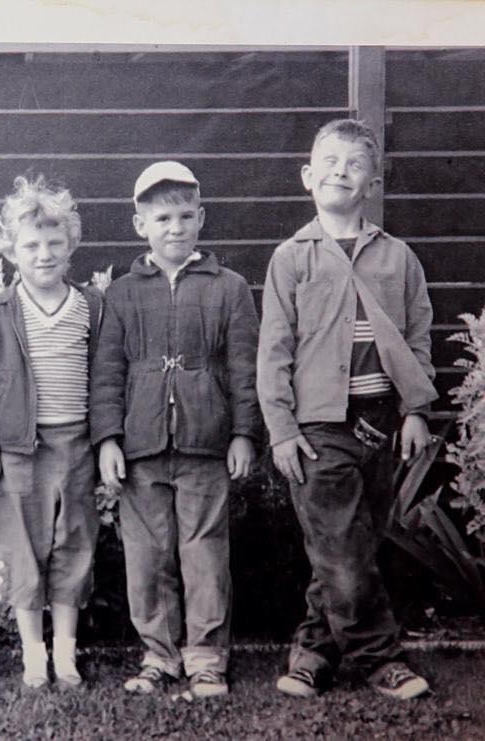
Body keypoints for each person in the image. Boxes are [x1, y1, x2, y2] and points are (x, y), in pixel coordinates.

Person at [258, 119, 437, 701]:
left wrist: (415, 411)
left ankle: (313, 653)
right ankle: (380, 657)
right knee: (340, 546)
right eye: (329, 162)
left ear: (372, 184)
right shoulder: (292, 258)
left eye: (354, 164)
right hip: (317, 429)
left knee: (348, 546)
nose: (341, 171)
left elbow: (417, 337)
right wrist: (282, 430)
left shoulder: (398, 258)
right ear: (307, 177)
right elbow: (274, 351)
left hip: (381, 421)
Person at [91, 161, 261, 698]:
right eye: (162, 218)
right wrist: (108, 439)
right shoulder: (122, 293)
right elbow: (107, 372)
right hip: (141, 446)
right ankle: (160, 655)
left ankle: (206, 658)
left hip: (205, 443)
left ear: (201, 218)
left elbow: (244, 367)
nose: (175, 227)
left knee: (204, 552)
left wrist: (243, 433)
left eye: (186, 216)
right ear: (140, 224)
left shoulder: (229, 288)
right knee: (147, 556)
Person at [0, 176, 102, 690]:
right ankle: (34, 652)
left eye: (55, 243)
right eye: (31, 245)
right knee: (23, 548)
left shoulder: (91, 305)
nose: (44, 254)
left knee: (74, 542)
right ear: (11, 251)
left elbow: (104, 374)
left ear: (71, 245)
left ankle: (66, 651)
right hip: (21, 448)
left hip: (76, 442)